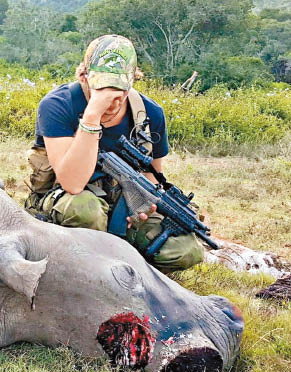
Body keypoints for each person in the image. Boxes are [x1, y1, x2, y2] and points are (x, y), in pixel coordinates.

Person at [25, 34, 204, 270]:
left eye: (118, 90)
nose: (112, 103)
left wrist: (143, 205)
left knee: (184, 250)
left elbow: (152, 176)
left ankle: (130, 274)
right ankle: (75, 270)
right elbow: (72, 183)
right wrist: (92, 116)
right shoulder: (59, 105)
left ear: (132, 81)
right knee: (85, 210)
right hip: (67, 200)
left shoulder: (149, 113)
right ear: (84, 77)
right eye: (101, 88)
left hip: (122, 202)